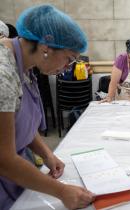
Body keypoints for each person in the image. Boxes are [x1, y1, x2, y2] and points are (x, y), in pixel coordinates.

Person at [0, 5, 94, 210]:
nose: (68, 67)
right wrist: (62, 191)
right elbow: (4, 159)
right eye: (69, 59)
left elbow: (17, 121)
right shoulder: (3, 73)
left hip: (17, 169)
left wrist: (47, 154)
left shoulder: (24, 64)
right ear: (45, 47)